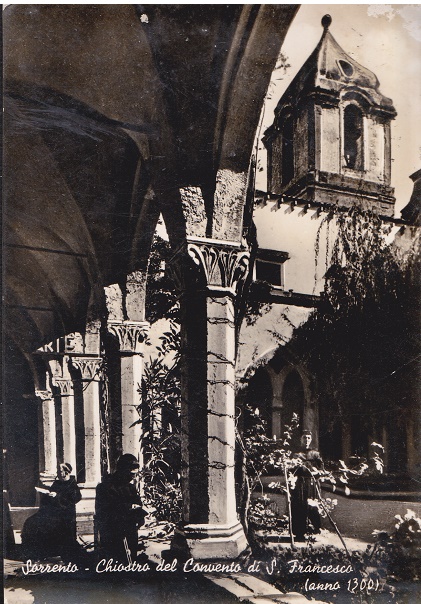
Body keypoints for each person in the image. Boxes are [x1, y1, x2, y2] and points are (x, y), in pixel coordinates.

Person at [22, 462, 82, 561]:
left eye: (60, 471)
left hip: (64, 515)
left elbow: (75, 498)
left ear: (66, 472)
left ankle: (42, 552)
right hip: (52, 513)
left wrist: (57, 496)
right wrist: (47, 494)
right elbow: (50, 497)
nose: (58, 473)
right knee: (31, 522)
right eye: (58, 470)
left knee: (43, 525)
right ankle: (34, 552)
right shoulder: (57, 483)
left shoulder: (72, 484)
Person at [95, 454, 147, 563]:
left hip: (129, 528)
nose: (133, 477)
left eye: (134, 474)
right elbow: (107, 509)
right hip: (112, 530)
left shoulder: (130, 487)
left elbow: (138, 503)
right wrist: (129, 507)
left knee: (131, 556)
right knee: (117, 558)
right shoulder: (105, 487)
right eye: (131, 474)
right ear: (123, 471)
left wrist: (140, 515)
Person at [290, 431, 324, 541]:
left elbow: (321, 469)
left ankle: (314, 531)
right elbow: (291, 470)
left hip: (311, 483)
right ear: (301, 439)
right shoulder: (295, 454)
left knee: (312, 506)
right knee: (299, 506)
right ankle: (299, 534)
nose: (307, 440)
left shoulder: (315, 454)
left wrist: (316, 473)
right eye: (305, 438)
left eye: (309, 438)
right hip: (299, 483)